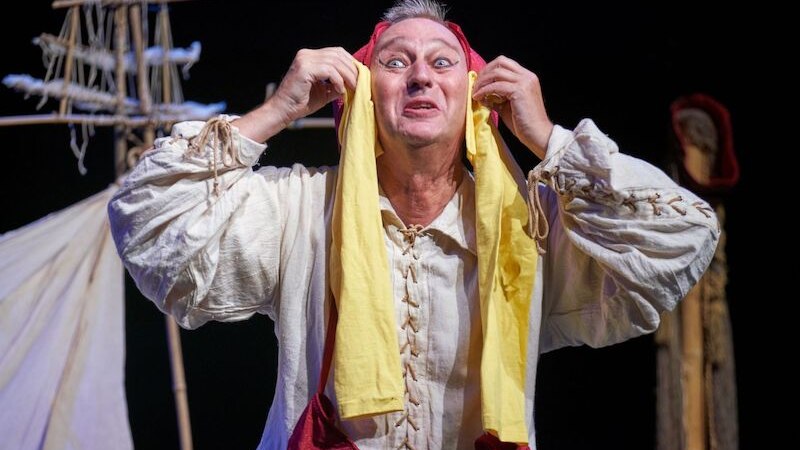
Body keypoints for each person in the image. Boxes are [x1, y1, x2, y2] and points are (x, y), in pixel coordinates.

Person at [107, 0, 719, 448]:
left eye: (442, 62)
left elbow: (685, 235)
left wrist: (546, 137)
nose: (421, 75)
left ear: (477, 98)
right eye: (396, 62)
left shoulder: (526, 227)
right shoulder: (302, 209)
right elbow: (145, 218)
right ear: (367, 96)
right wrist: (279, 109)